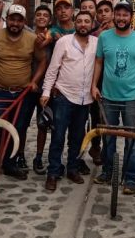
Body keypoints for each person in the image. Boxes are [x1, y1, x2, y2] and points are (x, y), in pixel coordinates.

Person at [91, 1, 135, 195]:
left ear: (131, 17)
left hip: (133, 97)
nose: (121, 18)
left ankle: (131, 177)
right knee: (108, 137)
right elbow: (99, 62)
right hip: (108, 96)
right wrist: (94, 85)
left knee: (131, 139)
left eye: (125, 15)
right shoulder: (104, 38)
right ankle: (108, 172)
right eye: (118, 15)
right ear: (114, 17)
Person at [0, 4, 47, 180]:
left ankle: (10, 164)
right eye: (12, 19)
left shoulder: (32, 38)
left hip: (21, 94)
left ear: (24, 22)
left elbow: (42, 61)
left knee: (17, 128)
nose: (15, 23)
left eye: (19, 20)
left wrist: (34, 82)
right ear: (7, 19)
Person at [40, 11, 98, 191]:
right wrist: (46, 92)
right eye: (79, 21)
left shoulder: (97, 44)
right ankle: (53, 171)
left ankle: (72, 168)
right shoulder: (64, 42)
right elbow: (53, 68)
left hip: (85, 99)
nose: (83, 24)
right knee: (58, 136)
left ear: (91, 24)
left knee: (78, 137)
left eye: (86, 21)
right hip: (64, 96)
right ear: (75, 23)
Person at [87, 0, 116, 163]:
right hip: (97, 81)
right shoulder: (92, 33)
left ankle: (108, 150)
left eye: (106, 11)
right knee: (97, 117)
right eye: (100, 11)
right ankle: (96, 146)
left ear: (112, 13)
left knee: (110, 120)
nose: (103, 14)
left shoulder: (121, 30)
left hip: (115, 82)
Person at [29, 4, 53, 175]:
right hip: (27, 85)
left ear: (50, 19)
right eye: (39, 14)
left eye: (45, 15)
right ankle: (19, 155)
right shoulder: (27, 34)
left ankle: (38, 156)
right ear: (34, 17)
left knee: (43, 124)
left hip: (46, 87)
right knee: (21, 123)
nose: (42, 17)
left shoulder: (54, 38)